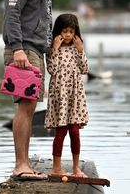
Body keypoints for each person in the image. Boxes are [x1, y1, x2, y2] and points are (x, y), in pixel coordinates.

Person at [2, 0, 63, 180]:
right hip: (23, 51)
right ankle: (21, 166)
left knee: (29, 107)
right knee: (25, 108)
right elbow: (12, 12)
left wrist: (50, 53)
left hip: (34, 51)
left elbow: (43, 19)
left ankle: (25, 164)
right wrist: (17, 48)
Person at [44, 13, 89, 178]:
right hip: (60, 96)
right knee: (60, 131)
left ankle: (76, 168)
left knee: (75, 132)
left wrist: (81, 51)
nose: (68, 35)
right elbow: (52, 70)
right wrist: (54, 49)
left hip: (75, 97)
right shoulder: (52, 50)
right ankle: (57, 167)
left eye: (71, 31)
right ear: (58, 32)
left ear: (76, 32)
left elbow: (84, 69)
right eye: (64, 31)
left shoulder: (77, 48)